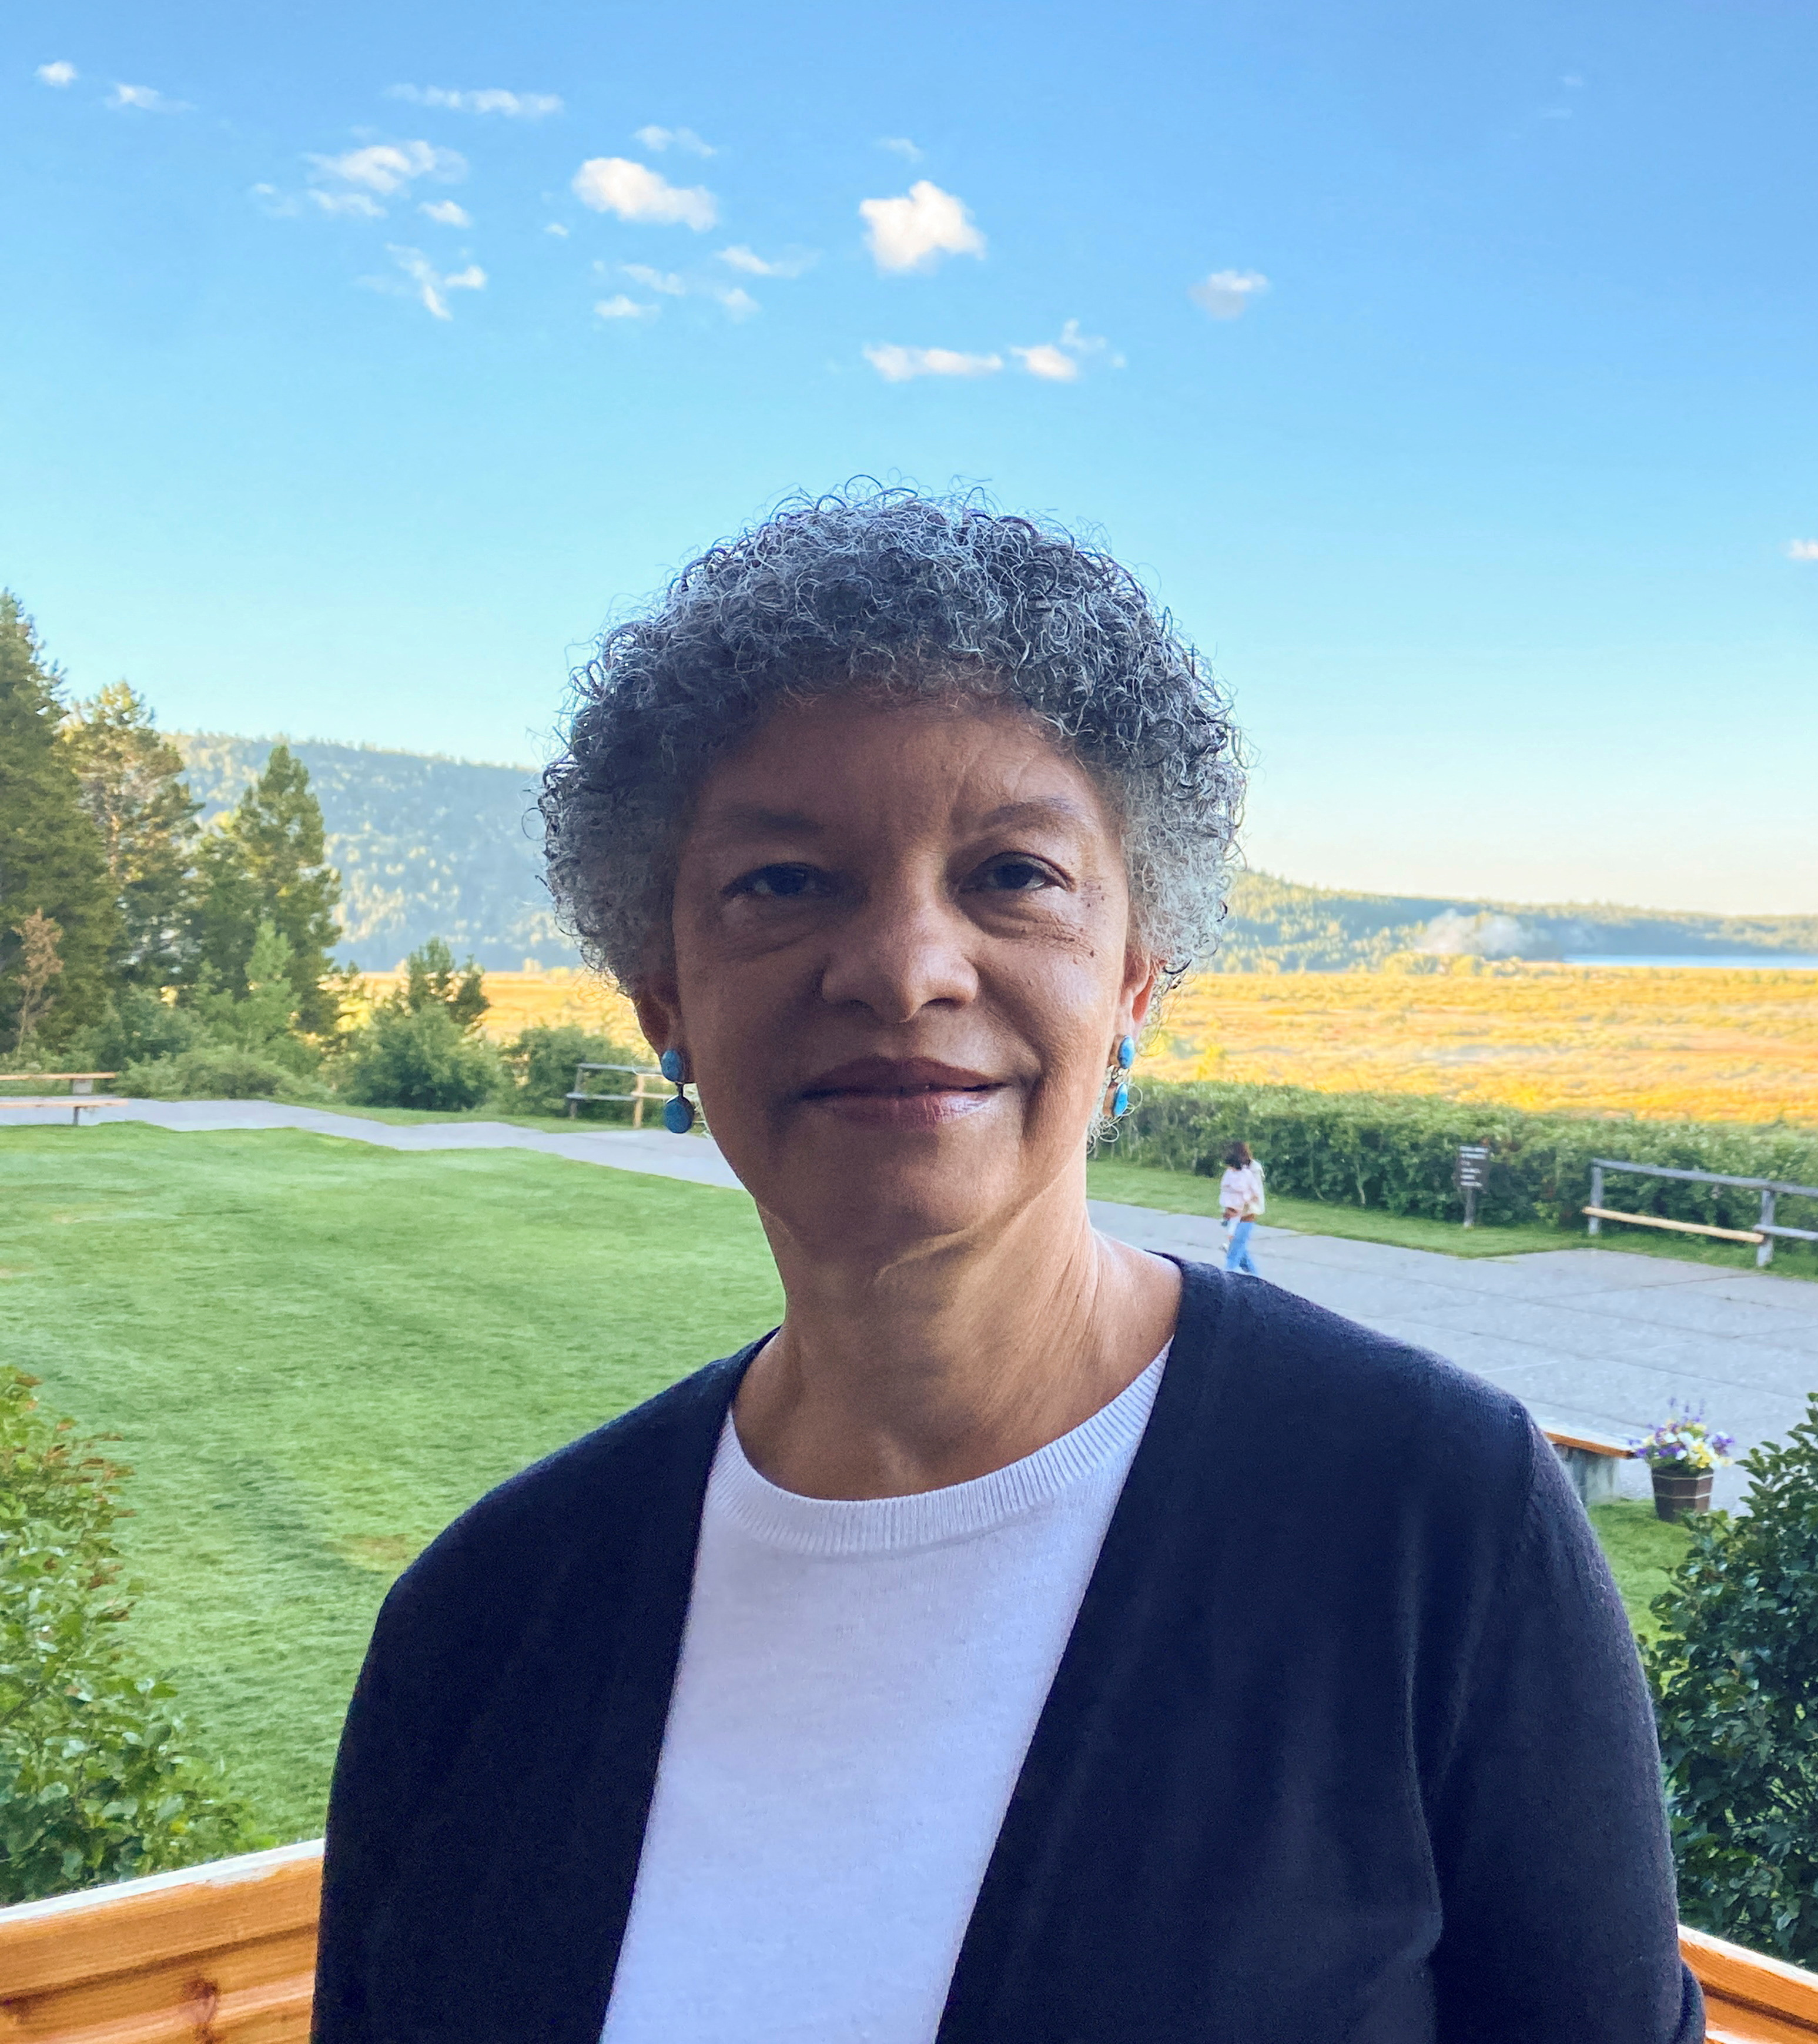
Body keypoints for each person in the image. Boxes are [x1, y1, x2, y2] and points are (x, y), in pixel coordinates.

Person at [312, 492, 1698, 2044]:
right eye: (783, 879)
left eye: (1013, 873)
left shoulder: (1436, 1524)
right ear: (664, 999)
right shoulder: (486, 1620)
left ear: (1130, 981)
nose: (904, 964)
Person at [1217, 1139, 1265, 1274]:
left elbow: (1255, 1194)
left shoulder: (1253, 1171)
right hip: (1232, 1213)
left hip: (1246, 1215)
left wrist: (1237, 1208)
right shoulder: (1232, 1172)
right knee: (1240, 1251)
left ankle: (1228, 1277)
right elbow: (1226, 1190)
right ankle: (1256, 1279)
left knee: (1233, 1254)